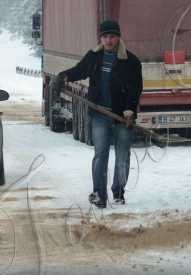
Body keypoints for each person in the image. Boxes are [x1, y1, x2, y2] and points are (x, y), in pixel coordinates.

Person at [52, 19, 143, 208]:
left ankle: (118, 192)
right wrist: (65, 76)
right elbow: (80, 70)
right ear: (100, 38)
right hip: (100, 115)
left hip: (122, 117)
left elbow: (135, 89)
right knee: (100, 154)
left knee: (122, 156)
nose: (108, 40)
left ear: (118, 37)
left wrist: (129, 112)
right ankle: (99, 194)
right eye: (105, 36)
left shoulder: (131, 62)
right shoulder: (94, 56)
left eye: (112, 36)